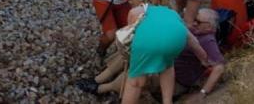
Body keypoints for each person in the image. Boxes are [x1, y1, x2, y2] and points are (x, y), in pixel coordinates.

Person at [76, 8, 224, 101]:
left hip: (177, 80)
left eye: (199, 21)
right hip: (165, 63)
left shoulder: (208, 40)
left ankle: (101, 89)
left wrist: (203, 92)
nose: (194, 23)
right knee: (131, 53)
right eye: (195, 19)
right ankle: (97, 79)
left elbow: (219, 67)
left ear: (210, 26)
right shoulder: (191, 30)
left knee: (136, 75)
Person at [122, 4, 212, 104]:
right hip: (175, 42)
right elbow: (192, 40)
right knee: (167, 66)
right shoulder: (172, 14)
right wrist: (204, 59)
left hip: (147, 43)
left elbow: (133, 13)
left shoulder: (144, 9)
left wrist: (131, 28)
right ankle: (167, 101)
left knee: (136, 82)